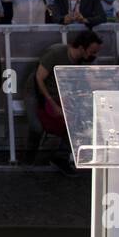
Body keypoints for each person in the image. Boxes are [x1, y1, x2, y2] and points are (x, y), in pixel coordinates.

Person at [33, 28, 103, 171]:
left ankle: (63, 156)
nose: (93, 55)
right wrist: (53, 104)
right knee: (61, 124)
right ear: (82, 48)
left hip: (63, 97)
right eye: (92, 51)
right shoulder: (56, 53)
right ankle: (46, 158)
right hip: (44, 95)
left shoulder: (81, 61)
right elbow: (39, 78)